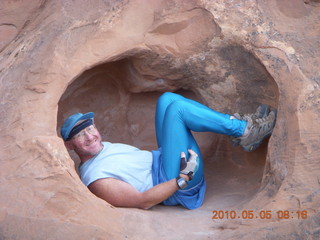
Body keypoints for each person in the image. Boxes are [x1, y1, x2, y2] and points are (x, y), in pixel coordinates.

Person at [60, 92, 277, 210]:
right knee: (178, 110)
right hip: (174, 178)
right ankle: (244, 130)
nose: (90, 137)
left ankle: (237, 127)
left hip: (164, 159)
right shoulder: (95, 178)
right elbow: (142, 201)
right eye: (80, 136)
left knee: (167, 99)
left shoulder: (101, 148)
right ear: (70, 146)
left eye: (90, 129)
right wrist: (182, 179)